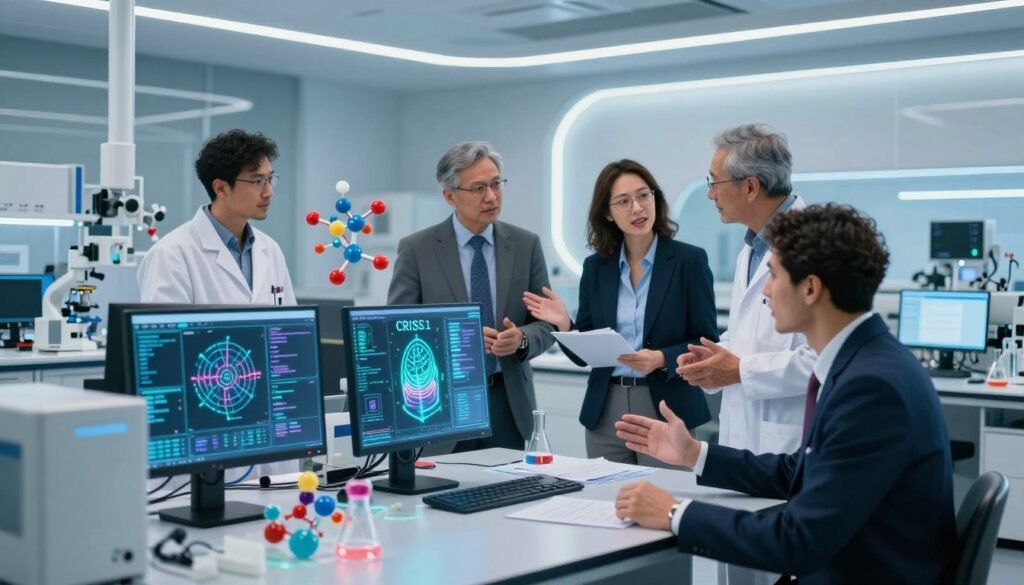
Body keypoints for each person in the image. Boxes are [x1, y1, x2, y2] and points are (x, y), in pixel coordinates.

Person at [614, 204, 957, 584]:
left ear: (810, 288)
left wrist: (676, 513)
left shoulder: (872, 388)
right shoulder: (863, 362)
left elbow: (798, 541)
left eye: (774, 275)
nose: (765, 289)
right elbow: (799, 472)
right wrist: (694, 454)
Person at [523, 160, 717, 465]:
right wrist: (564, 323)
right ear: (608, 213)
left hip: (666, 405)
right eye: (624, 201)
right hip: (607, 407)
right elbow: (584, 352)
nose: (637, 208)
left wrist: (661, 358)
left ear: (656, 198)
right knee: (608, 501)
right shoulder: (596, 267)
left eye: (643, 195)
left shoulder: (688, 261)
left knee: (660, 499)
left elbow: (706, 341)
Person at [387, 141, 555, 452]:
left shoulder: (525, 245)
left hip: (508, 403)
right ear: (449, 196)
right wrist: (459, 340)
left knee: (516, 497)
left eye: (496, 184)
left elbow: (548, 325)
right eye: (478, 188)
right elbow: (397, 331)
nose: (491, 197)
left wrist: (522, 339)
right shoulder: (417, 250)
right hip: (442, 405)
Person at [677, 123, 815, 457]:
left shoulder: (813, 246)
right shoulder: (752, 248)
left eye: (714, 182)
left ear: (750, 187)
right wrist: (714, 359)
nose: (711, 194)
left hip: (787, 445)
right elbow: (749, 337)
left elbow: (826, 362)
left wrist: (739, 370)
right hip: (745, 441)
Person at [137, 129, 295, 306]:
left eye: (270, 179)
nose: (269, 192)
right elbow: (165, 331)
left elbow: (292, 328)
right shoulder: (171, 255)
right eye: (257, 181)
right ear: (220, 188)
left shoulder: (271, 250)